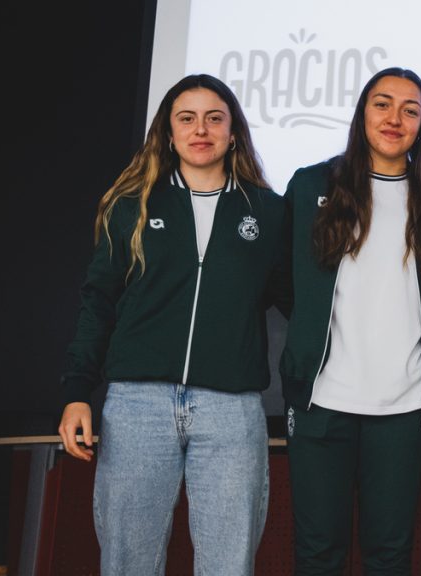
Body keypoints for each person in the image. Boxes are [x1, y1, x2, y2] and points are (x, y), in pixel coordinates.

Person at [57, 73, 288, 575]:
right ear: (168, 131)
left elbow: (299, 302)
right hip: (138, 406)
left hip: (231, 409)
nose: (200, 129)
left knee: (228, 565)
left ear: (234, 132)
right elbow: (98, 301)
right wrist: (78, 391)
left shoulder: (268, 213)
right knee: (128, 563)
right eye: (187, 118)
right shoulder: (133, 205)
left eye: (214, 117)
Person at [280, 67, 421, 575]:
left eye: (411, 109)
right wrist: (313, 327)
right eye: (382, 104)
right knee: (318, 554)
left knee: (389, 556)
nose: (395, 118)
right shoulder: (313, 184)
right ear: (362, 113)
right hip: (321, 404)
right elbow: (283, 280)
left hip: (402, 410)